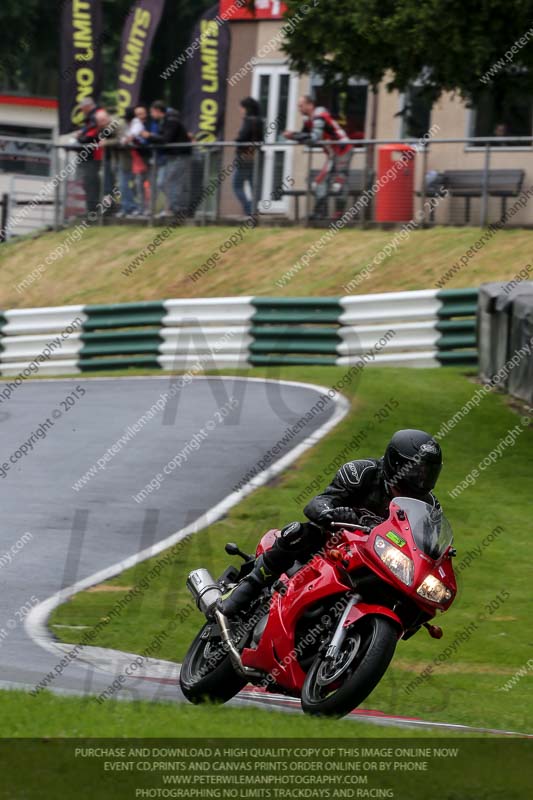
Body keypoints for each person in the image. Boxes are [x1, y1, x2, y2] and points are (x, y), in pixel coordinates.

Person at [219, 429, 443, 616]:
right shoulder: (363, 472)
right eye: (416, 471)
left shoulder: (430, 508)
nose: (421, 479)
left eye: (428, 473)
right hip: (333, 546)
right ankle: (247, 589)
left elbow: (428, 549)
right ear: (395, 463)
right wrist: (333, 514)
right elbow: (318, 502)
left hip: (377, 562)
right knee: (299, 533)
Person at [283, 95, 352, 219]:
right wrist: (295, 136)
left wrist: (293, 135)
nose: (299, 108)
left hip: (342, 150)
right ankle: (320, 213)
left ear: (310, 105)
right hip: (332, 153)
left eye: (301, 105)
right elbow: (305, 138)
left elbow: (314, 138)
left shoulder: (319, 115)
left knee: (339, 182)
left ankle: (338, 216)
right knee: (320, 181)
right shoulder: (308, 120)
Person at [141, 100, 192, 216]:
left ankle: (176, 208)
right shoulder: (164, 121)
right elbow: (161, 137)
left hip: (180, 155)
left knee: (173, 181)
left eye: (152, 112)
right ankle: (174, 207)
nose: (151, 115)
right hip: (171, 156)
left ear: (158, 111)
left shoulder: (171, 121)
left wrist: (149, 136)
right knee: (162, 182)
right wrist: (152, 137)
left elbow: (166, 139)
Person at [233, 97, 264, 217]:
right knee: (254, 184)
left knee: (237, 185)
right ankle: (253, 209)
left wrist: (237, 138)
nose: (240, 110)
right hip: (255, 157)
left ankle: (249, 209)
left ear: (246, 108)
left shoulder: (248, 121)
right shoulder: (259, 121)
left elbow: (242, 137)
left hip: (244, 157)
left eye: (241, 108)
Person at [75, 97, 103, 214]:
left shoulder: (96, 116)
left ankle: (92, 208)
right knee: (88, 181)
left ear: (87, 106)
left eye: (82, 109)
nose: (82, 111)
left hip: (93, 154)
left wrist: (80, 137)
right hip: (90, 154)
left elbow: (90, 136)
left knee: (90, 181)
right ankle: (92, 207)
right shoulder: (93, 116)